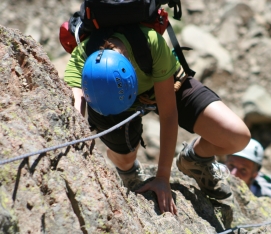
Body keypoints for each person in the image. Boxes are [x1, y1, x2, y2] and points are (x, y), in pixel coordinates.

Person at [64, 26, 251, 215]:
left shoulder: (150, 43)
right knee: (125, 158)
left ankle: (195, 159)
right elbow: (75, 115)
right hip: (111, 103)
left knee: (237, 136)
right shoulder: (81, 57)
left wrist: (162, 177)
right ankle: (128, 170)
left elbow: (169, 114)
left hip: (165, 84)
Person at [225, 139, 271, 207]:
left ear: (254, 175)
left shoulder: (268, 197)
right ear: (225, 162)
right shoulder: (215, 175)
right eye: (231, 165)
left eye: (243, 170)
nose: (233, 173)